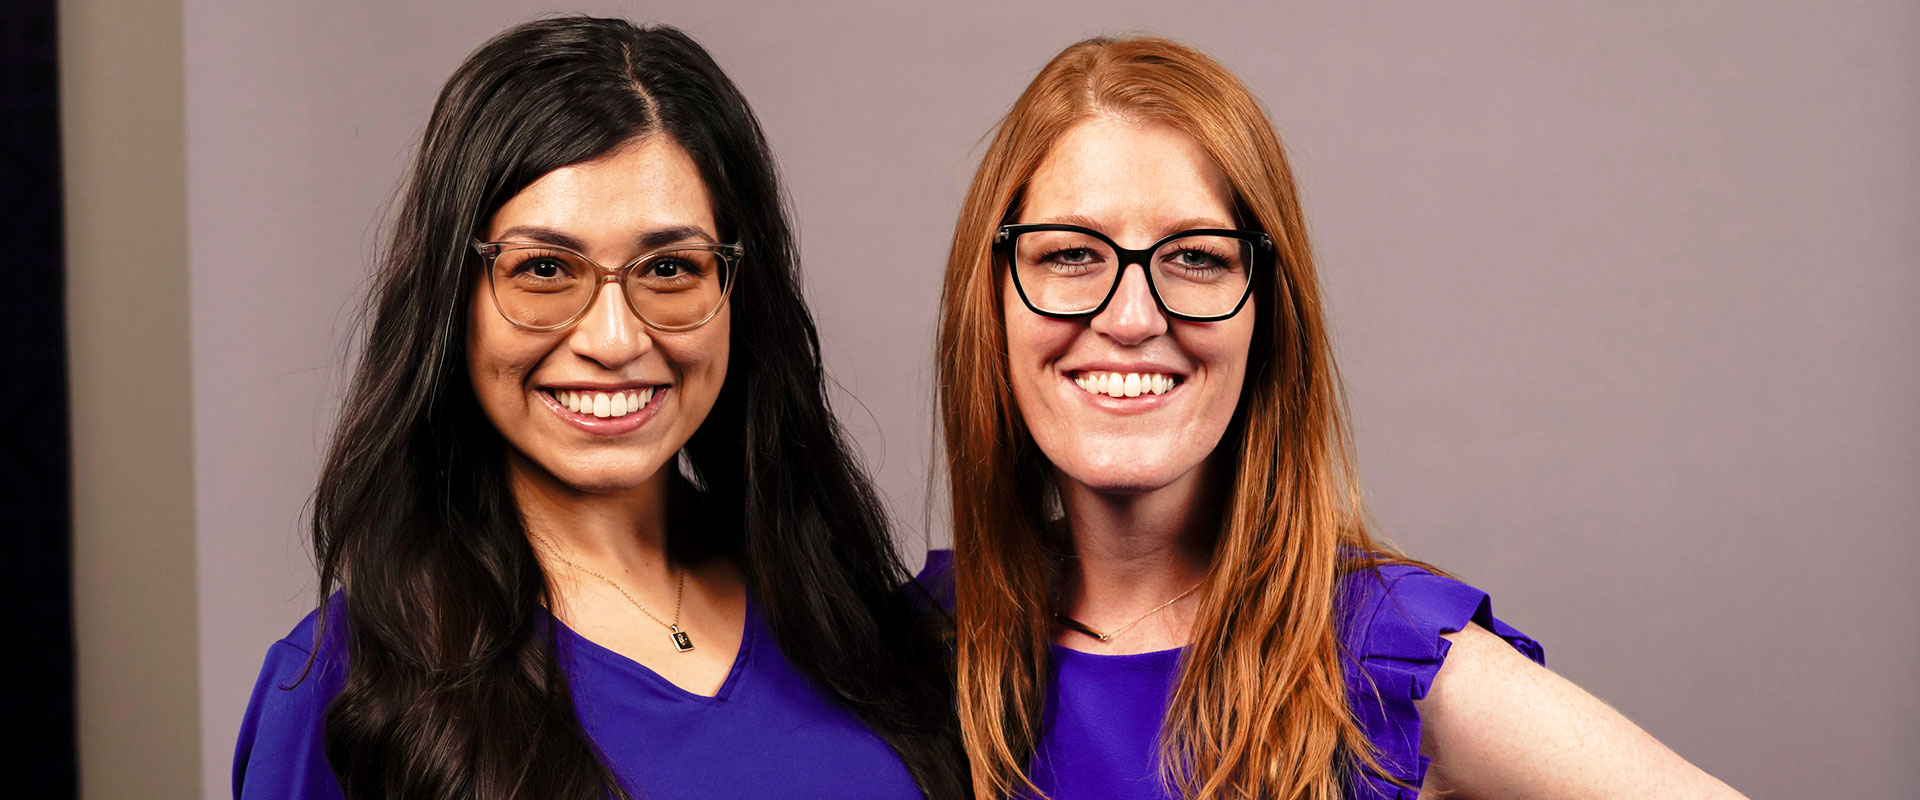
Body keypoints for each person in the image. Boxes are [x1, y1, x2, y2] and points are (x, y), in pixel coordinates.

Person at [933, 36, 1746, 800]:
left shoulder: (1383, 658)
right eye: (1071, 253)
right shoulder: (913, 647)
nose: (1135, 316)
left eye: (1198, 257)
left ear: (1269, 316)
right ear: (994, 297)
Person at [233, 17, 962, 799]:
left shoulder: (853, 624)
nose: (613, 339)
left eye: (671, 267)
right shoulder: (343, 691)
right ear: (454, 299)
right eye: (545, 267)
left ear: (736, 296)